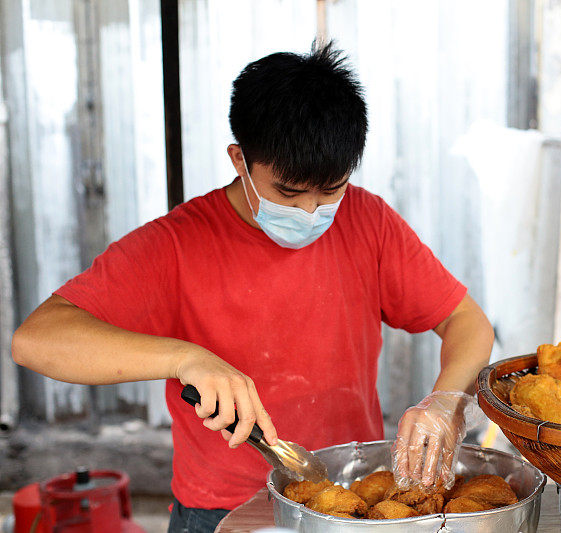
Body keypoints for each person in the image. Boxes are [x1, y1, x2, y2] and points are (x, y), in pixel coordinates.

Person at [11, 43, 493, 532]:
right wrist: (184, 358)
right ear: (240, 160)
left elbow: (466, 320)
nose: (310, 210)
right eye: (288, 191)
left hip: (347, 502)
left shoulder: (368, 222)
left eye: (331, 189)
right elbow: (36, 340)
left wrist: (446, 400)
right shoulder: (177, 244)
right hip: (217, 510)